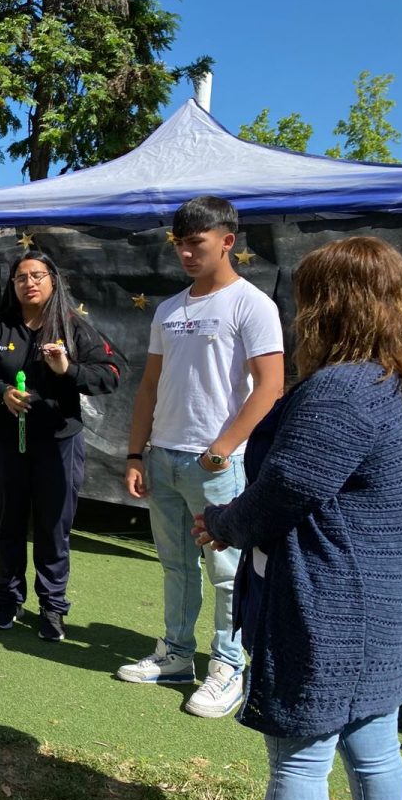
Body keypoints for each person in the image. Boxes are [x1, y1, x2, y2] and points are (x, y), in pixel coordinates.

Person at [194, 236, 402, 800]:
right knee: (375, 747)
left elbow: (284, 492)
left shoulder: (343, 391)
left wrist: (221, 522)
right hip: (393, 607)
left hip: (333, 610)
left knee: (300, 763)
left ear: (331, 306)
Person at [118, 196, 284, 718]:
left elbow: (271, 387)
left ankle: (229, 666)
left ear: (227, 241)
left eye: (198, 243)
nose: (187, 254)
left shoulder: (251, 304)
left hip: (216, 465)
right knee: (175, 565)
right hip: (162, 456)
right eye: (180, 244)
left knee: (227, 571)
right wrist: (134, 453)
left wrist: (222, 450)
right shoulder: (170, 308)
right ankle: (176, 654)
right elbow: (148, 386)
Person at [0, 251, 121, 641]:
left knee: (53, 528)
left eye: (37, 276)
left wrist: (68, 371)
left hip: (59, 444)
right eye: (20, 277)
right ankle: (8, 601)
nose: (29, 283)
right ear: (12, 285)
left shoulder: (74, 328)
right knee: (9, 524)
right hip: (7, 444)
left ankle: (52, 608)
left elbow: (111, 375)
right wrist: (1, 394)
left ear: (53, 280)